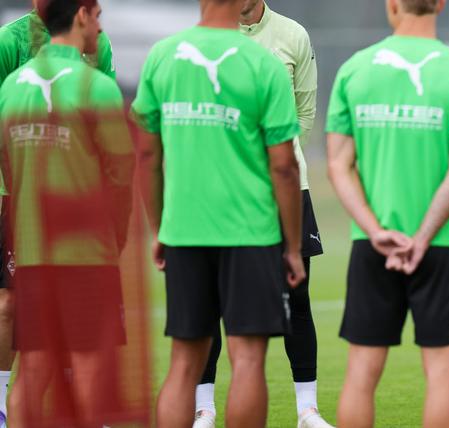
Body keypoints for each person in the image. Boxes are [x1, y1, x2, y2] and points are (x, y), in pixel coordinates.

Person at [132, 0, 305, 425]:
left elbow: (147, 154)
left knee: (184, 362)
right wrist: (294, 246)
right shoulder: (261, 62)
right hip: (251, 234)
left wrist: (159, 228)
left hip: (185, 231)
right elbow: (284, 165)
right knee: (247, 360)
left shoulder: (163, 55)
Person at [326, 0, 449, 426]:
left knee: (361, 373)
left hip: (372, 245)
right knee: (442, 374)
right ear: (440, 3)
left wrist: (376, 231)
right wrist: (421, 237)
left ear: (392, 4)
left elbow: (338, 166)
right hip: (441, 244)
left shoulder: (355, 69)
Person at [191, 1, 330, 427]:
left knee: (298, 299)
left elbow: (305, 112)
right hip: (220, 191)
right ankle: (204, 408)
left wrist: (273, 162)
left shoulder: (293, 35)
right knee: (207, 303)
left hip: (285, 187)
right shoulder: (205, 38)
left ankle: (307, 409)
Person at [0, 0, 131, 426]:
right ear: (80, 16)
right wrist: (119, 239)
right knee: (90, 370)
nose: (99, 25)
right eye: (97, 16)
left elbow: (6, 163)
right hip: (88, 253)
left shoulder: (12, 86)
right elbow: (121, 175)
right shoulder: (97, 87)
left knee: (32, 372)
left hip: (32, 249)